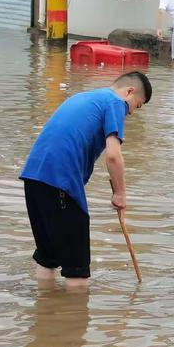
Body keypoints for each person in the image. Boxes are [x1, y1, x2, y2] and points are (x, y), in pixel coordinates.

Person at [20, 72, 152, 289]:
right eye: (136, 106)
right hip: (61, 182)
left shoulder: (82, 97)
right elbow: (113, 155)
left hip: (34, 177)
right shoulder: (115, 103)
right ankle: (75, 319)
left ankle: (45, 315)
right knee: (78, 271)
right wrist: (120, 193)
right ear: (130, 92)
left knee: (47, 257)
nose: (130, 114)